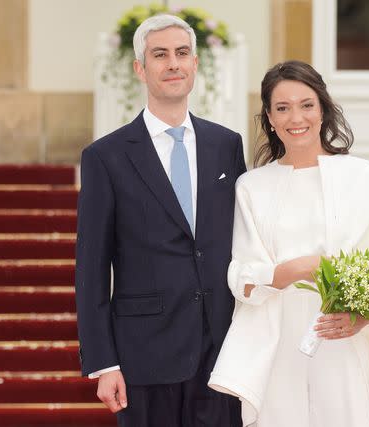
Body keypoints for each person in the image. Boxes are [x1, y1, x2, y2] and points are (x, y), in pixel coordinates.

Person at [208, 61, 369, 427]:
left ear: (323, 108)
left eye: (306, 104)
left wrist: (363, 315)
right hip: (279, 347)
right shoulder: (252, 187)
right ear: (269, 118)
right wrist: (300, 268)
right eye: (282, 108)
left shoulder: (363, 177)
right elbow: (243, 275)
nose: (295, 117)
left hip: (347, 343)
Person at [75, 14, 245, 427]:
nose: (173, 63)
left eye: (182, 53)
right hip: (143, 357)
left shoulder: (227, 146)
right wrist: (103, 362)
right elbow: (91, 269)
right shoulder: (105, 157)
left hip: (221, 354)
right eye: (160, 55)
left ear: (195, 64)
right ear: (140, 68)